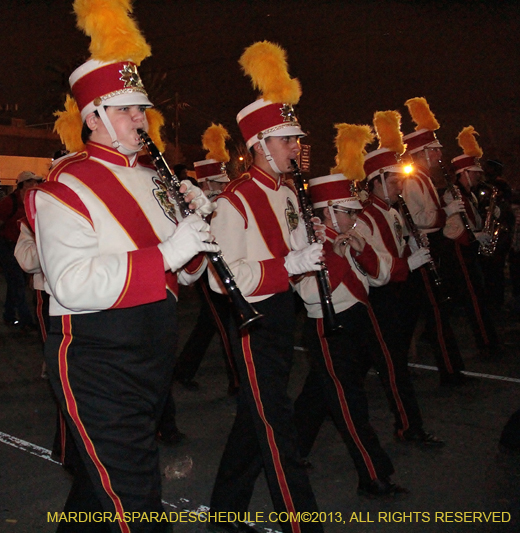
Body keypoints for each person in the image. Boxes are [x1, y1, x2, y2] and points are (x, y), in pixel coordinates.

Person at [29, 3, 216, 530]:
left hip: (151, 347)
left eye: (143, 109)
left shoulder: (155, 179)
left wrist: (198, 245)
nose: (142, 119)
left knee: (99, 488)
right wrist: (170, 252)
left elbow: (178, 271)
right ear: (94, 117)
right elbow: (69, 282)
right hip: (97, 355)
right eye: (129, 110)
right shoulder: (64, 186)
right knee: (136, 496)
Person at [207, 42, 323, 533]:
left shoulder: (287, 193)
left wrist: (312, 246)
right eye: (286, 140)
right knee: (276, 424)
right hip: (254, 319)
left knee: (255, 419)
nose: (295, 148)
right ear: (259, 143)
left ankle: (225, 508)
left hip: (281, 314)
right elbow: (220, 276)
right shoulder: (234, 201)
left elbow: (296, 249)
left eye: (295, 140)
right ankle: (303, 522)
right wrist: (287, 264)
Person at [292, 139, 408, 498]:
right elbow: (310, 295)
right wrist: (339, 256)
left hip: (358, 316)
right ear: (328, 211)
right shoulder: (306, 240)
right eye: (349, 212)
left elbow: (380, 276)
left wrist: (361, 249)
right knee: (349, 403)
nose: (356, 218)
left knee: (321, 395)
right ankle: (373, 475)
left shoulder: (347, 234)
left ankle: (292, 449)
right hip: (330, 327)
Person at [357, 111, 443, 446]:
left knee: (346, 374)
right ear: (375, 181)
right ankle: (410, 428)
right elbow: (377, 264)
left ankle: (305, 425)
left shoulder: (393, 212)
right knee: (393, 368)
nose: (398, 187)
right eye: (392, 182)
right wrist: (409, 260)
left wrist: (413, 249)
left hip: (396, 294)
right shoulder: (364, 217)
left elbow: (399, 246)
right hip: (378, 299)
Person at [401, 97, 473, 385]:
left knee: (431, 312)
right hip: (422, 249)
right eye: (435, 150)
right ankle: (449, 371)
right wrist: (446, 211)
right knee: (434, 313)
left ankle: (444, 365)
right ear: (423, 152)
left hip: (433, 248)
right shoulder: (411, 180)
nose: (440, 155)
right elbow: (416, 219)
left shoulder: (424, 178)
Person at [173, 124, 238, 395]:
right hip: (205, 270)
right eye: (220, 183)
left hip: (220, 267)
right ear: (208, 183)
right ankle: (237, 382)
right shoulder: (196, 204)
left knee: (208, 325)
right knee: (226, 327)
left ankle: (184, 369)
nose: (225, 187)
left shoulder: (222, 202)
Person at [441, 127, 501, 356]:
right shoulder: (452, 195)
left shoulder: (470, 196)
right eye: (475, 173)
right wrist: (476, 236)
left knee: (474, 296)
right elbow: (452, 229)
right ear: (464, 173)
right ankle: (486, 343)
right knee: (473, 298)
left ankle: (487, 340)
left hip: (468, 248)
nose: (478, 177)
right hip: (459, 251)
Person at [0, 171, 41, 328]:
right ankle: (26, 320)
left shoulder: (32, 201)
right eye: (30, 183)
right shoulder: (9, 202)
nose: (35, 186)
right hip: (8, 245)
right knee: (17, 283)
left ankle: (9, 315)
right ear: (22, 185)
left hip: (21, 245)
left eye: (36, 183)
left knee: (15, 283)